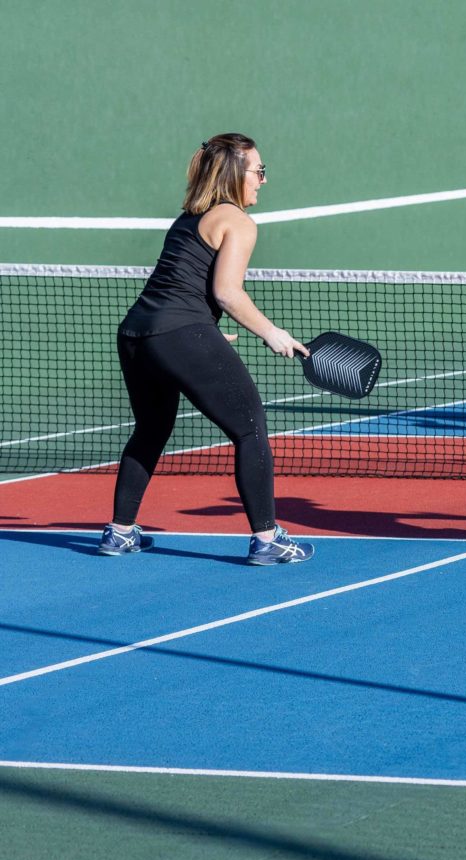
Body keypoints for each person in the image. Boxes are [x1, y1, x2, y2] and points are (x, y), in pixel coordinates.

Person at [99, 133, 316, 565]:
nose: (263, 180)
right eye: (259, 171)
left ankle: (119, 533)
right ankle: (266, 539)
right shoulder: (237, 221)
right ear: (237, 174)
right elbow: (226, 293)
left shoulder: (188, 217)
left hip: (138, 336)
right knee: (250, 427)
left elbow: (180, 289)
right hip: (179, 333)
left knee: (151, 430)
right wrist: (270, 332)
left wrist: (204, 336)